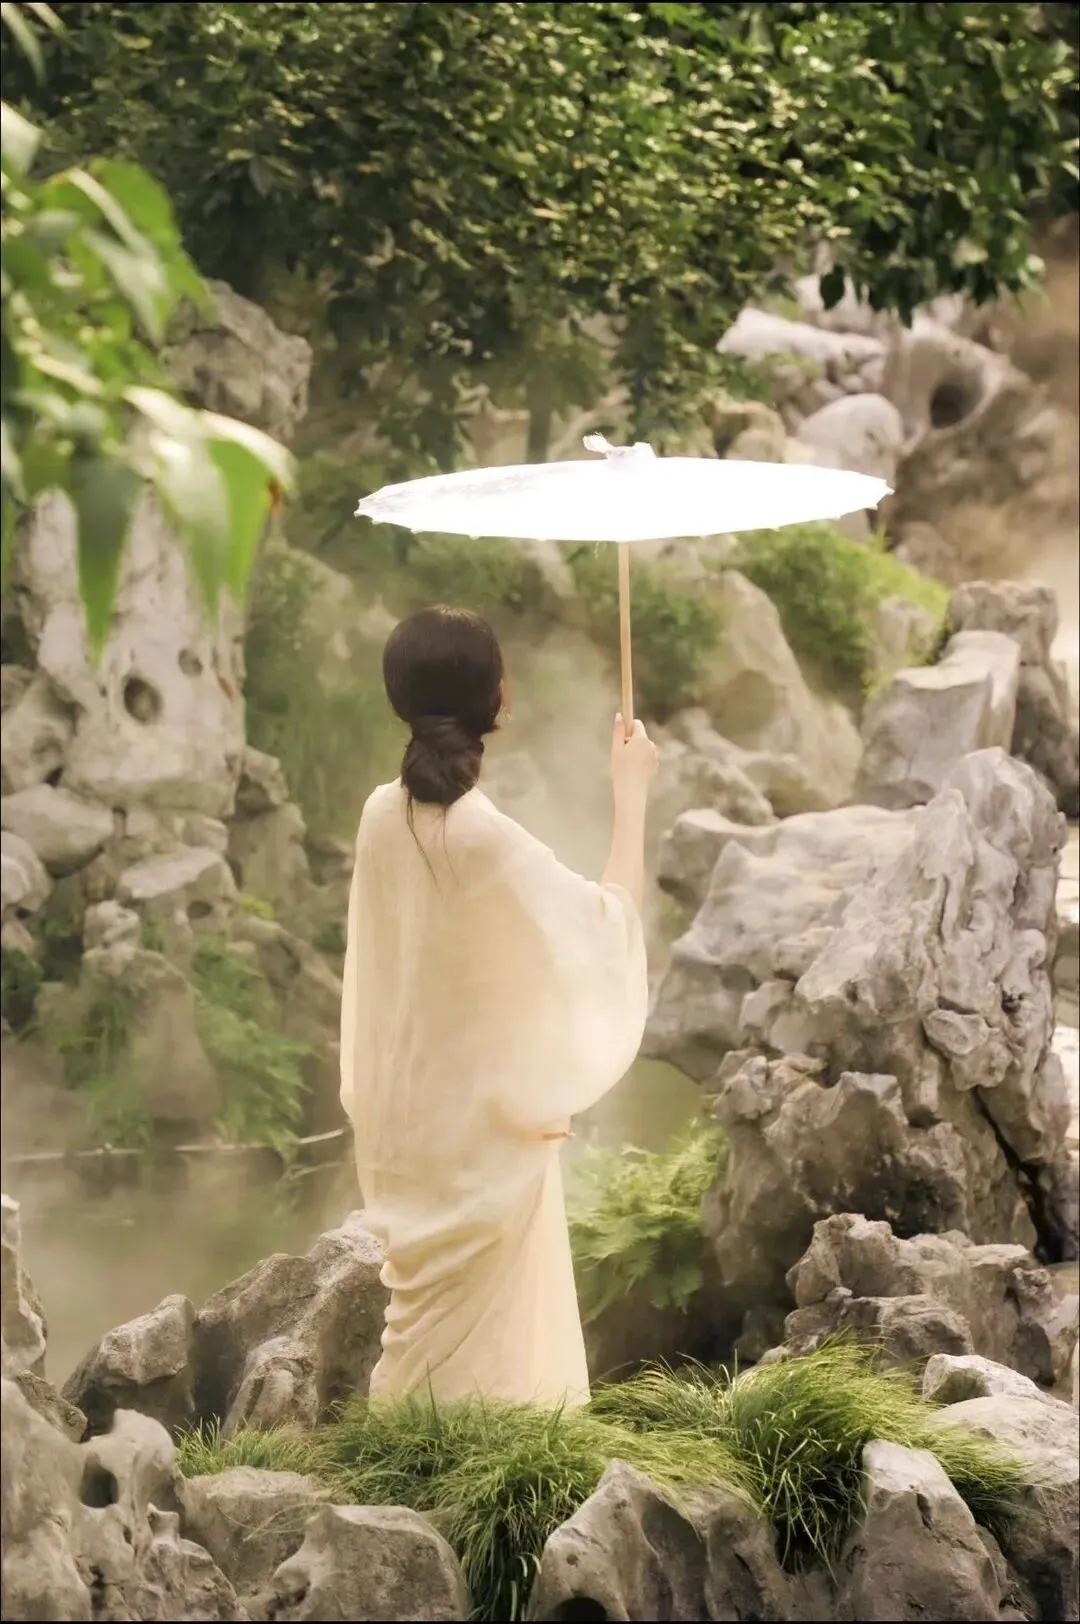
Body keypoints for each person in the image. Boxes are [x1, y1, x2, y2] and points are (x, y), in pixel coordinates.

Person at [339, 603, 658, 1408]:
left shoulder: (381, 815)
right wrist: (631, 793)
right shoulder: (481, 839)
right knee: (498, 1370)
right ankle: (481, 1467)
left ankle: (412, 1458)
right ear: (496, 698)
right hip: (477, 1135)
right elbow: (605, 932)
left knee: (421, 1352)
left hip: (407, 1126)